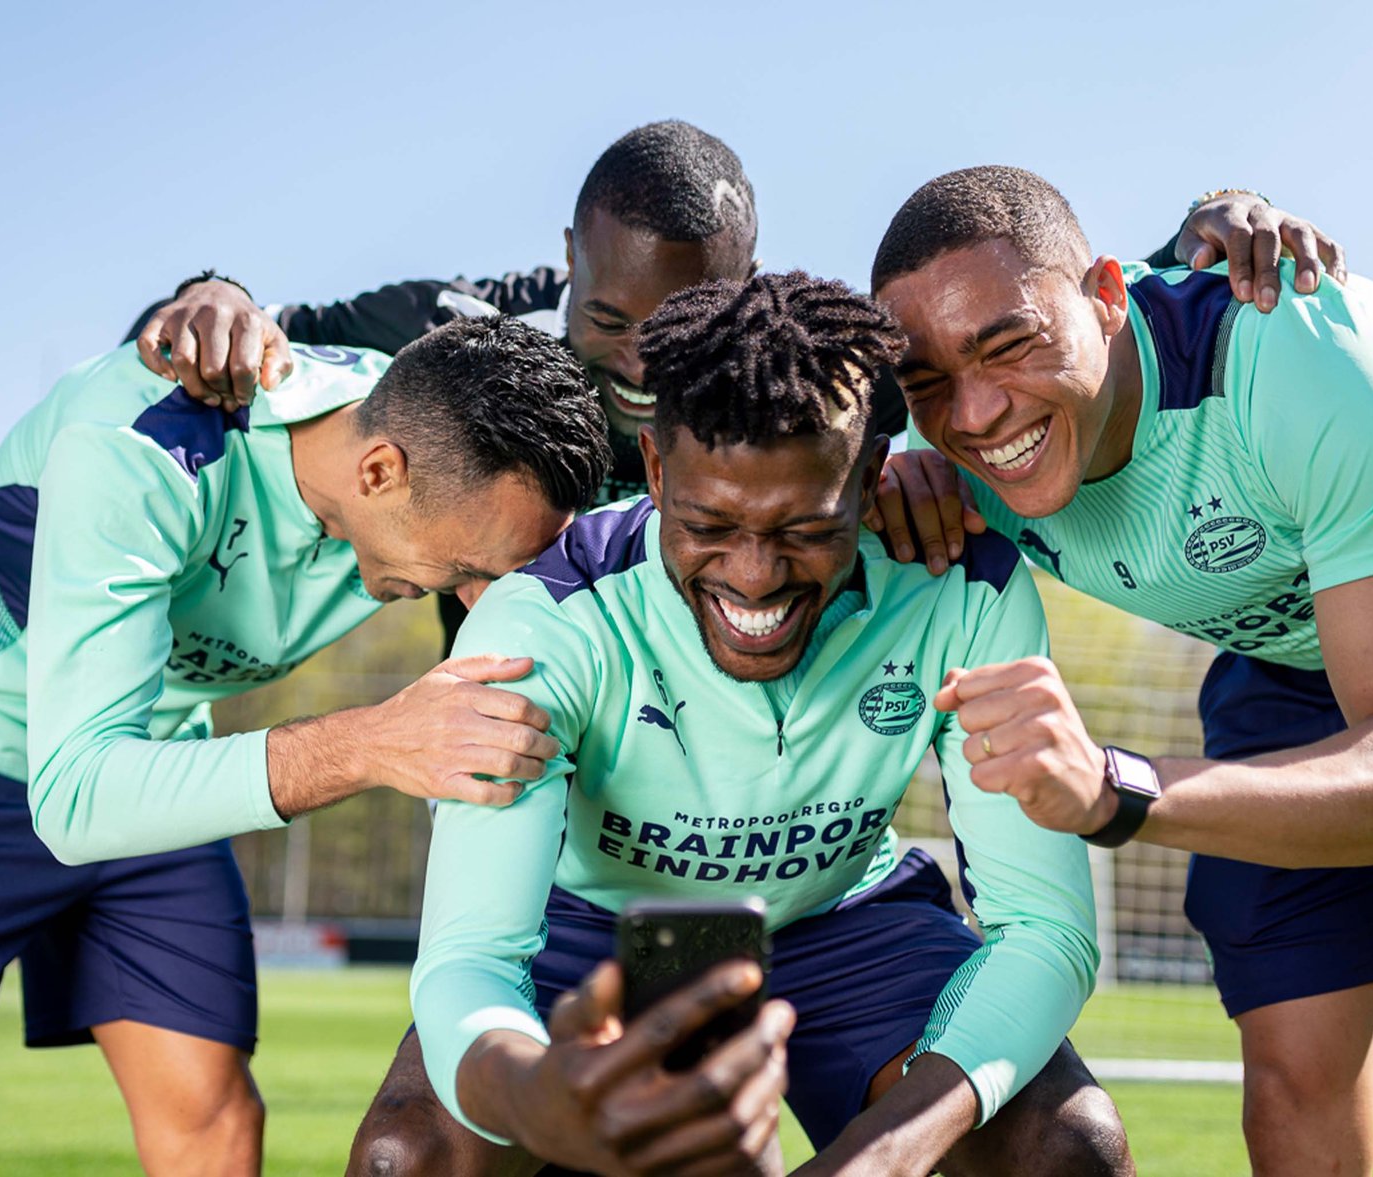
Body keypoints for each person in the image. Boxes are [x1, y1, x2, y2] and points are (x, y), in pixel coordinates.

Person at [867, 165, 1373, 1175]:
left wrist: (1114, 787)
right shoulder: (947, 470)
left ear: (1103, 297)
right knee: (1287, 1106)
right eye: (925, 383)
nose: (972, 414)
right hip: (1279, 658)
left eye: (1008, 345)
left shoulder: (1295, 350)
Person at [356, 271, 1130, 1176]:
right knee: (406, 1157)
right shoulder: (542, 621)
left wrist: (879, 1156)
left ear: (872, 478)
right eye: (710, 523)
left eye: (803, 526)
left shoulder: (965, 584)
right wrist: (534, 1092)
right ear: (652, 468)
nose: (755, 576)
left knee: (1070, 1150)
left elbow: (1046, 926)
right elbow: (469, 958)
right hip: (592, 922)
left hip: (840, 917)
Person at [0, 317, 611, 1174]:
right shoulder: (140, 446)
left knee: (217, 1122)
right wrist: (374, 742)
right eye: (468, 568)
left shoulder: (434, 430)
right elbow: (77, 798)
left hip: (152, 751)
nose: (481, 597)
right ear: (379, 472)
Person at [127, 120, 1344, 647]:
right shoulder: (457, 329)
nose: (645, 360)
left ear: (747, 280)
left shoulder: (779, 356)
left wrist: (1211, 223)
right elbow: (246, 335)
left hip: (720, 768)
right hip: (518, 740)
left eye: (680, 325)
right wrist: (206, 294)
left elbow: (1027, 325)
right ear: (564, 265)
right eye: (608, 318)